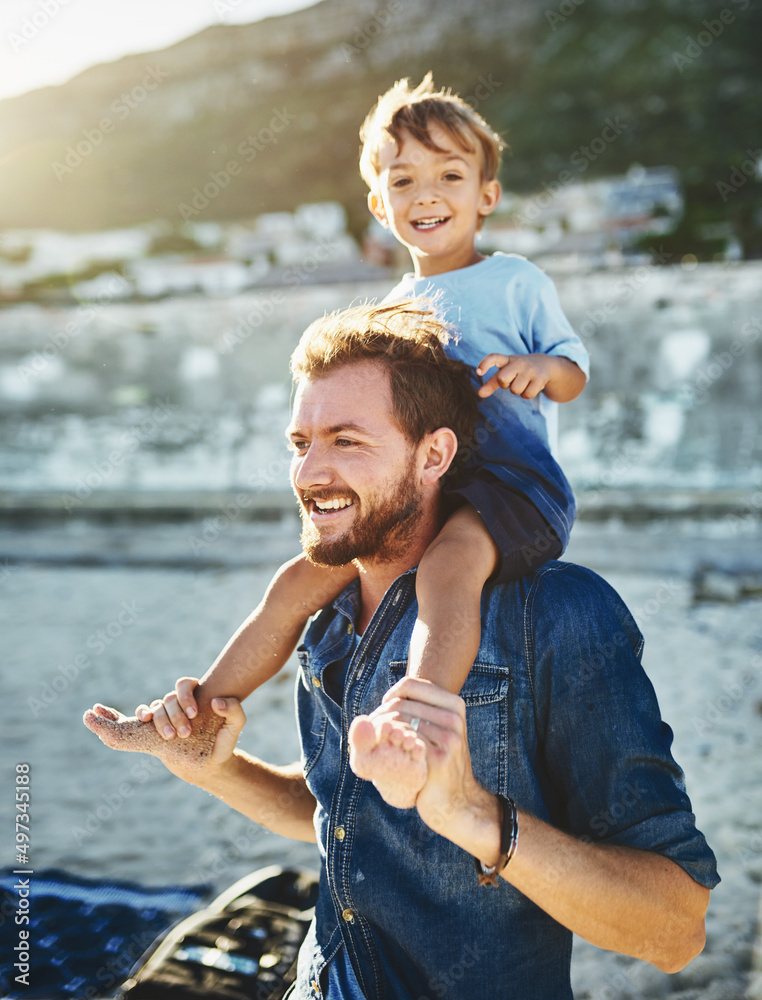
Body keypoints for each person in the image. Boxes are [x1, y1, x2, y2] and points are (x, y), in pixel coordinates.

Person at [85, 300, 718, 1000]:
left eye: (347, 442)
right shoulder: (325, 614)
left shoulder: (560, 613)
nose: (308, 474)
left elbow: (674, 928)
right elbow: (344, 812)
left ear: (434, 455)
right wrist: (214, 769)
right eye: (301, 444)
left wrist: (473, 816)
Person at [129, 74, 589, 810]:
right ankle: (193, 714)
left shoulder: (515, 281)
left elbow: (574, 373)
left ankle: (417, 721)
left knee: (450, 568)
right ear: (380, 206)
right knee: (295, 583)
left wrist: (542, 369)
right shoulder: (393, 310)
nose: (426, 194)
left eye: (449, 176)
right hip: (424, 485)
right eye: (403, 179)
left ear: (486, 197)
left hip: (512, 488)